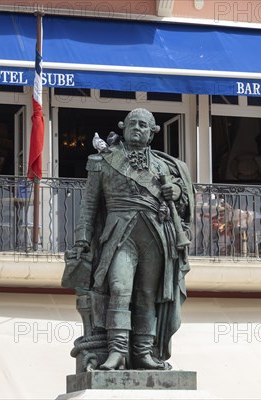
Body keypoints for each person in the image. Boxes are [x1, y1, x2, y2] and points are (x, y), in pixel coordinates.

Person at [68, 108, 195, 370]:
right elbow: (89, 205)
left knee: (147, 295)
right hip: (119, 232)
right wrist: (82, 239)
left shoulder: (164, 166)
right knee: (119, 288)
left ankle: (144, 353)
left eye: (143, 125)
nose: (137, 128)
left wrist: (177, 189)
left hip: (156, 234)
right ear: (123, 127)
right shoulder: (102, 161)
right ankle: (117, 351)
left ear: (151, 133)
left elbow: (184, 204)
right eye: (132, 123)